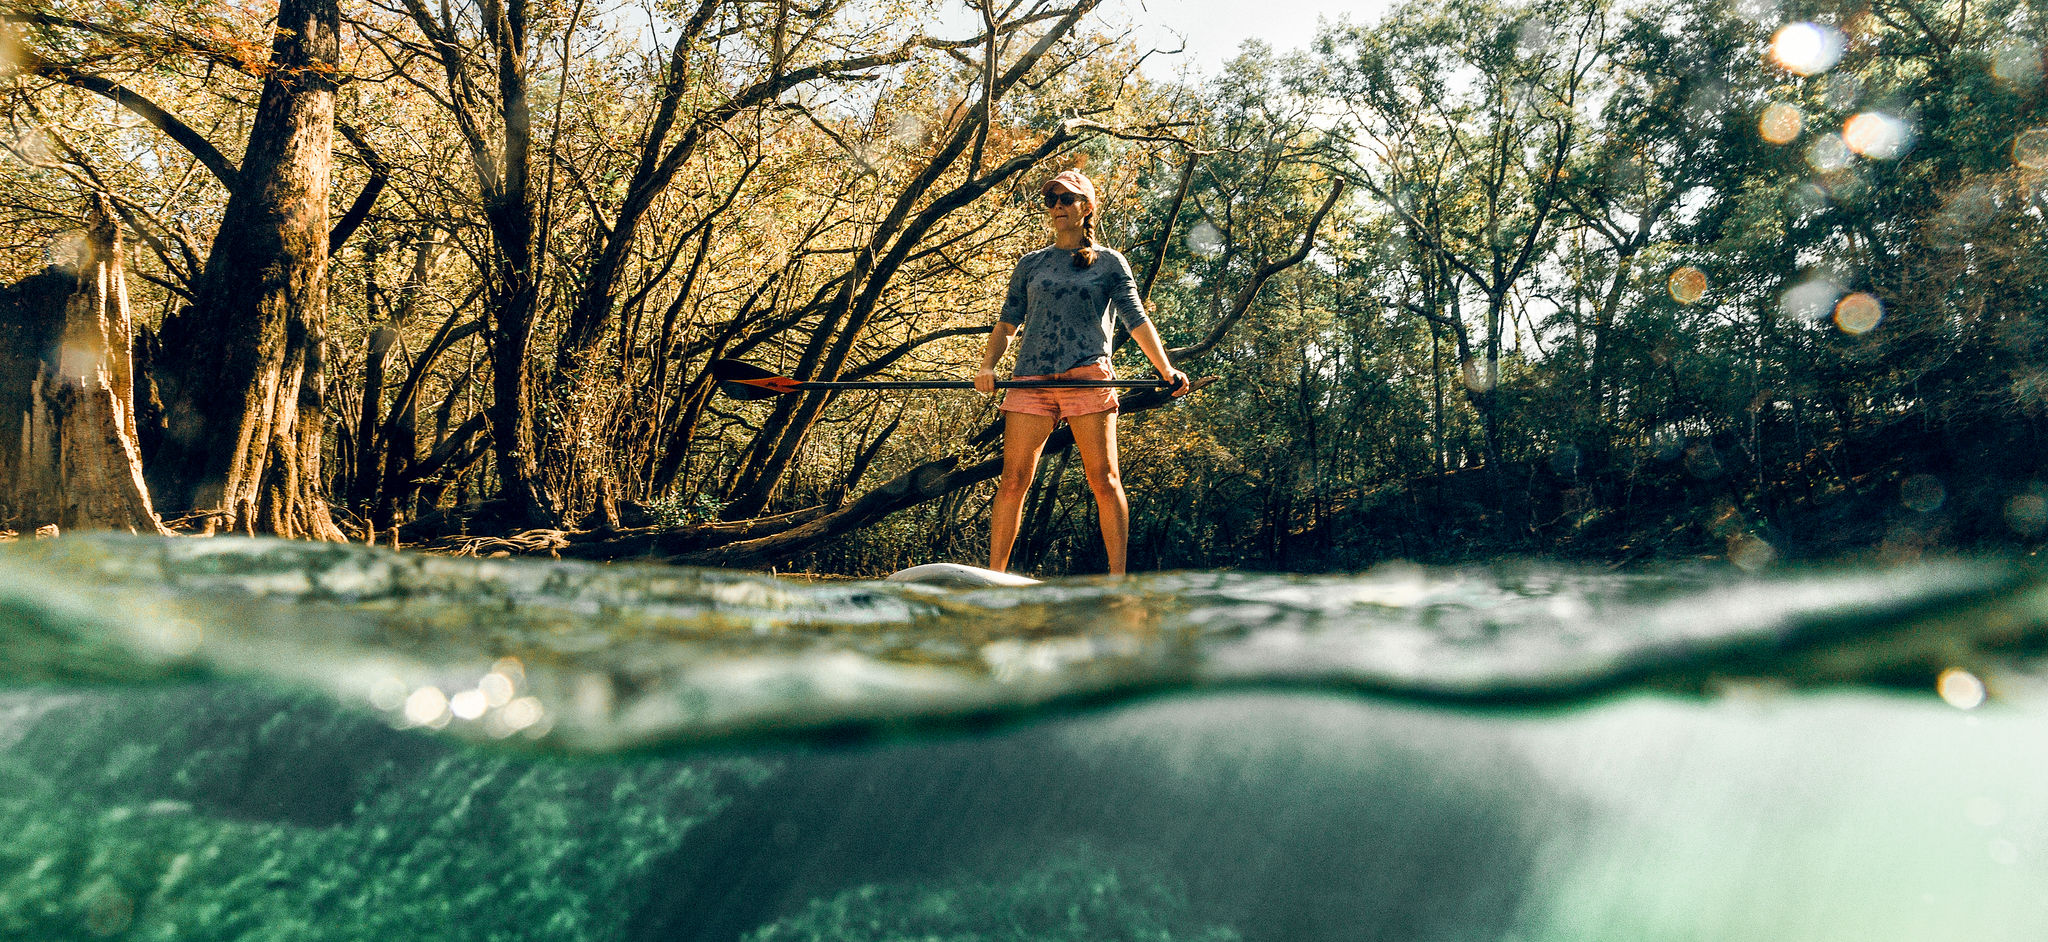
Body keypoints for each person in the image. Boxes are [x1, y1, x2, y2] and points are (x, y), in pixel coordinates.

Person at [974, 169, 1190, 575]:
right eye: (1051, 199)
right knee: (1013, 481)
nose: (1057, 206)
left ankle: (1117, 582)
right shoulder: (1031, 263)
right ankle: (994, 581)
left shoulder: (1109, 263)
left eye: (1066, 199)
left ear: (1086, 207)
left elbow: (1135, 319)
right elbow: (1007, 323)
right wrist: (988, 366)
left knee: (1104, 480)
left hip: (1087, 377)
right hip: (1031, 380)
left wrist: (1164, 368)